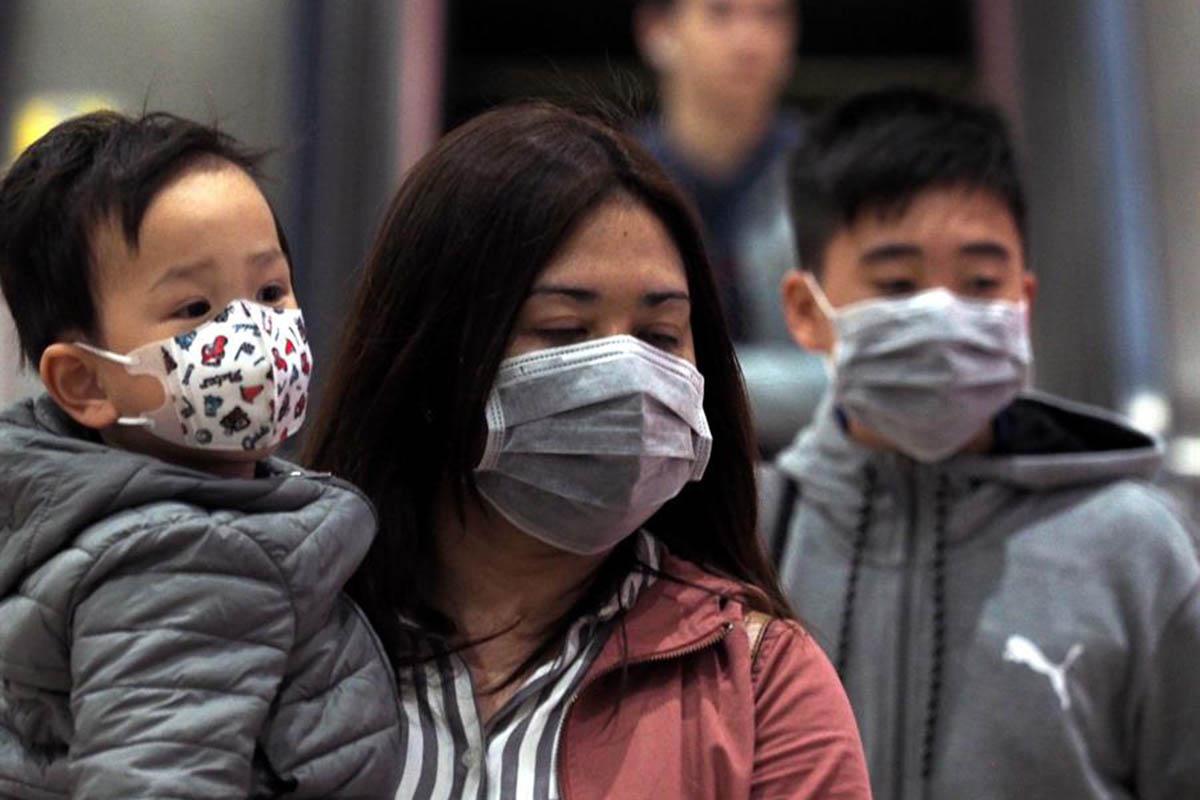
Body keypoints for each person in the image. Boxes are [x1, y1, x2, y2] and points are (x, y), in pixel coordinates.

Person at [305, 102, 871, 799]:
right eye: (565, 329)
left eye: (661, 336)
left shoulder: (760, 684)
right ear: (433, 351)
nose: (627, 374)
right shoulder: (291, 646)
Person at [762, 87, 1200, 799]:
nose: (942, 312)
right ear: (808, 312)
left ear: (1022, 303)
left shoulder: (1137, 550)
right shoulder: (748, 538)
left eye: (980, 282)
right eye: (898, 283)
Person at [0, 111, 402, 798]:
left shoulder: (101, 515)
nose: (254, 332)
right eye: (194, 308)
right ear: (85, 382)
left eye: (271, 290)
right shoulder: (187, 562)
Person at [633, 0, 826, 455]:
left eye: (771, 16)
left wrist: (668, 381)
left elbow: (855, 379)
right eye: (721, 13)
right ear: (658, 31)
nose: (749, 41)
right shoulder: (613, 179)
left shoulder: (833, 179)